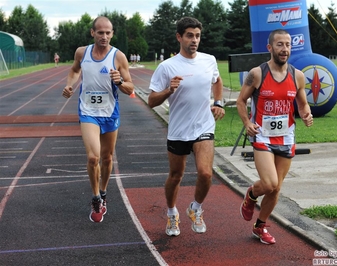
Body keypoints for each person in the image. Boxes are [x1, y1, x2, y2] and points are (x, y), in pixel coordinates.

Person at [148, 17, 225, 236]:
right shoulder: (167, 67)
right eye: (190, 35)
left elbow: (217, 80)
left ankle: (195, 208)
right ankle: (172, 213)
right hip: (179, 130)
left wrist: (218, 103)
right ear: (179, 37)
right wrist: (168, 91)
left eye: (198, 36)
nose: (194, 40)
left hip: (203, 126)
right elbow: (152, 101)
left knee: (206, 174)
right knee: (176, 175)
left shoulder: (209, 60)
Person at [236, 29, 313, 244]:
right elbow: (241, 101)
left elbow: (302, 103)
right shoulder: (258, 74)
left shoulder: (297, 76)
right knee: (269, 184)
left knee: (277, 187)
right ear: (270, 48)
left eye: (288, 45)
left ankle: (260, 226)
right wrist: (247, 123)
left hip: (286, 137)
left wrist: (306, 113)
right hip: (262, 136)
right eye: (280, 44)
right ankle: (251, 195)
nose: (285, 49)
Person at [61, 16, 134, 223]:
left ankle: (103, 192)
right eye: (100, 32)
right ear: (92, 33)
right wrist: (70, 85)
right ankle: (95, 197)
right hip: (88, 111)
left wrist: (119, 81)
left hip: (110, 113)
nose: (104, 36)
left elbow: (130, 88)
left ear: (112, 34)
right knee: (93, 158)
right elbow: (75, 70)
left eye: (108, 32)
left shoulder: (118, 57)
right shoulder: (82, 53)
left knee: (107, 157)